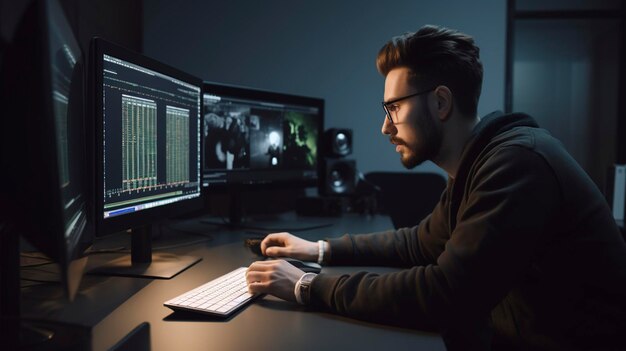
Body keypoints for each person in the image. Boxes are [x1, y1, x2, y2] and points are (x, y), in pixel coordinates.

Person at [245, 25, 626, 350]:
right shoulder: (479, 163)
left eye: (393, 108)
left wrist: (308, 285)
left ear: (441, 102)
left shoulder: (516, 164)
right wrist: (318, 250)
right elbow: (419, 243)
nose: (385, 127)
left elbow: (444, 295)